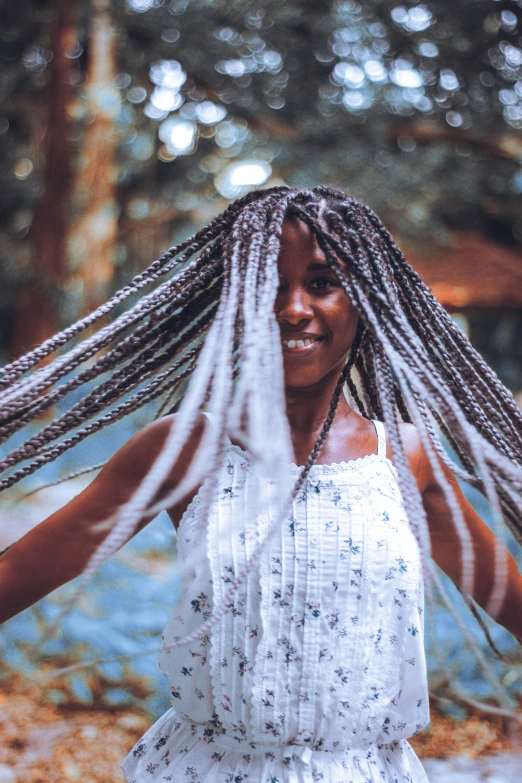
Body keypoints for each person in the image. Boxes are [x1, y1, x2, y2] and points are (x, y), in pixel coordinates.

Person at [0, 186, 522, 783]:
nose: (292, 308)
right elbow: (19, 573)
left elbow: (511, 600)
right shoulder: (186, 451)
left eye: (322, 282)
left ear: (366, 302)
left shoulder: (404, 460)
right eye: (264, 286)